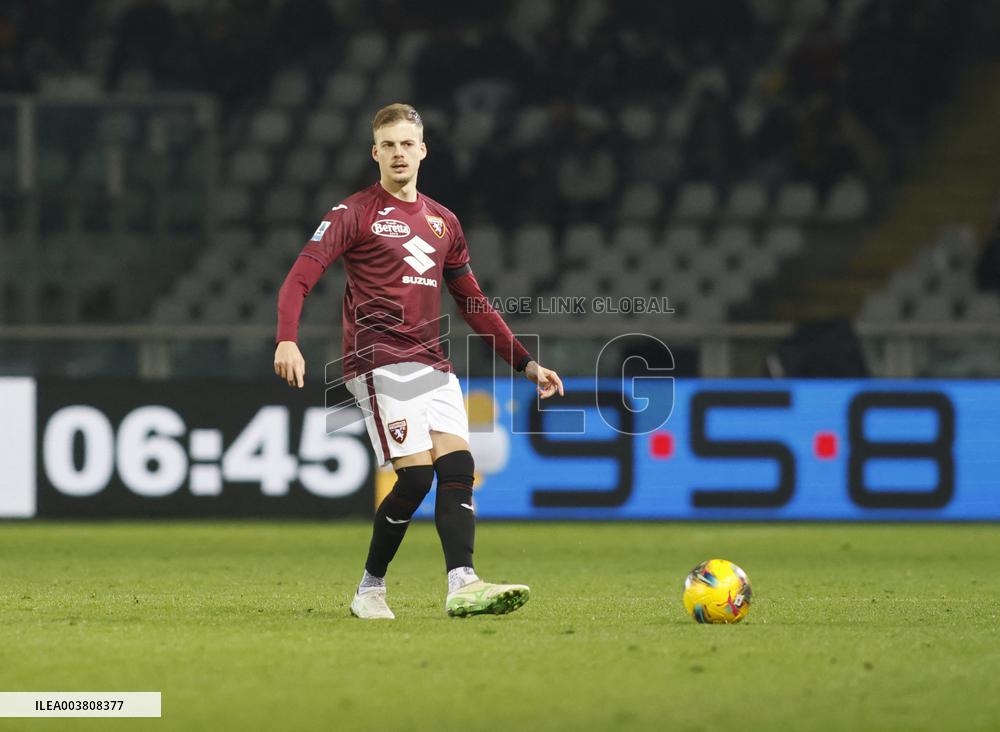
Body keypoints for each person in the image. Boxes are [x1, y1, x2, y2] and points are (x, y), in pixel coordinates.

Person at [274, 103, 564, 619]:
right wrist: (287, 339)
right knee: (414, 479)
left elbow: (473, 302)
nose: (399, 153)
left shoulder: (443, 222)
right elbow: (300, 276)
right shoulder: (353, 214)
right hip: (378, 360)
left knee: (458, 467)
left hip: (432, 363)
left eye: (407, 144)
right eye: (388, 145)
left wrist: (525, 364)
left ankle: (462, 584)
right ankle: (369, 590)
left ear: (423, 150)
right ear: (375, 153)